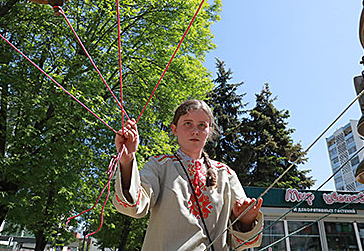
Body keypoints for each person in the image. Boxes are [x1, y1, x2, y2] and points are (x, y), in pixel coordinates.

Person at [113, 100, 263, 250]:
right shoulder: (159, 165)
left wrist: (245, 221)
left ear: (209, 130)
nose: (195, 131)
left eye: (202, 125)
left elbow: (241, 242)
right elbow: (133, 206)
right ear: (174, 129)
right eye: (188, 123)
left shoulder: (226, 175)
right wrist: (127, 160)